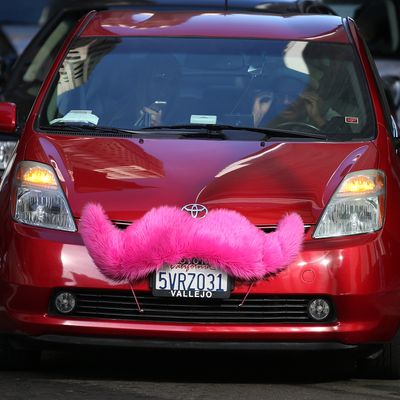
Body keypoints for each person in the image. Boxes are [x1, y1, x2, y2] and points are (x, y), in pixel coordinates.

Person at [134, 54, 180, 127]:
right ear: (145, 81)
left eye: (173, 82)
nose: (166, 88)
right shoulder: (122, 114)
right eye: (160, 80)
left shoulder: (184, 119)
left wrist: (158, 128)